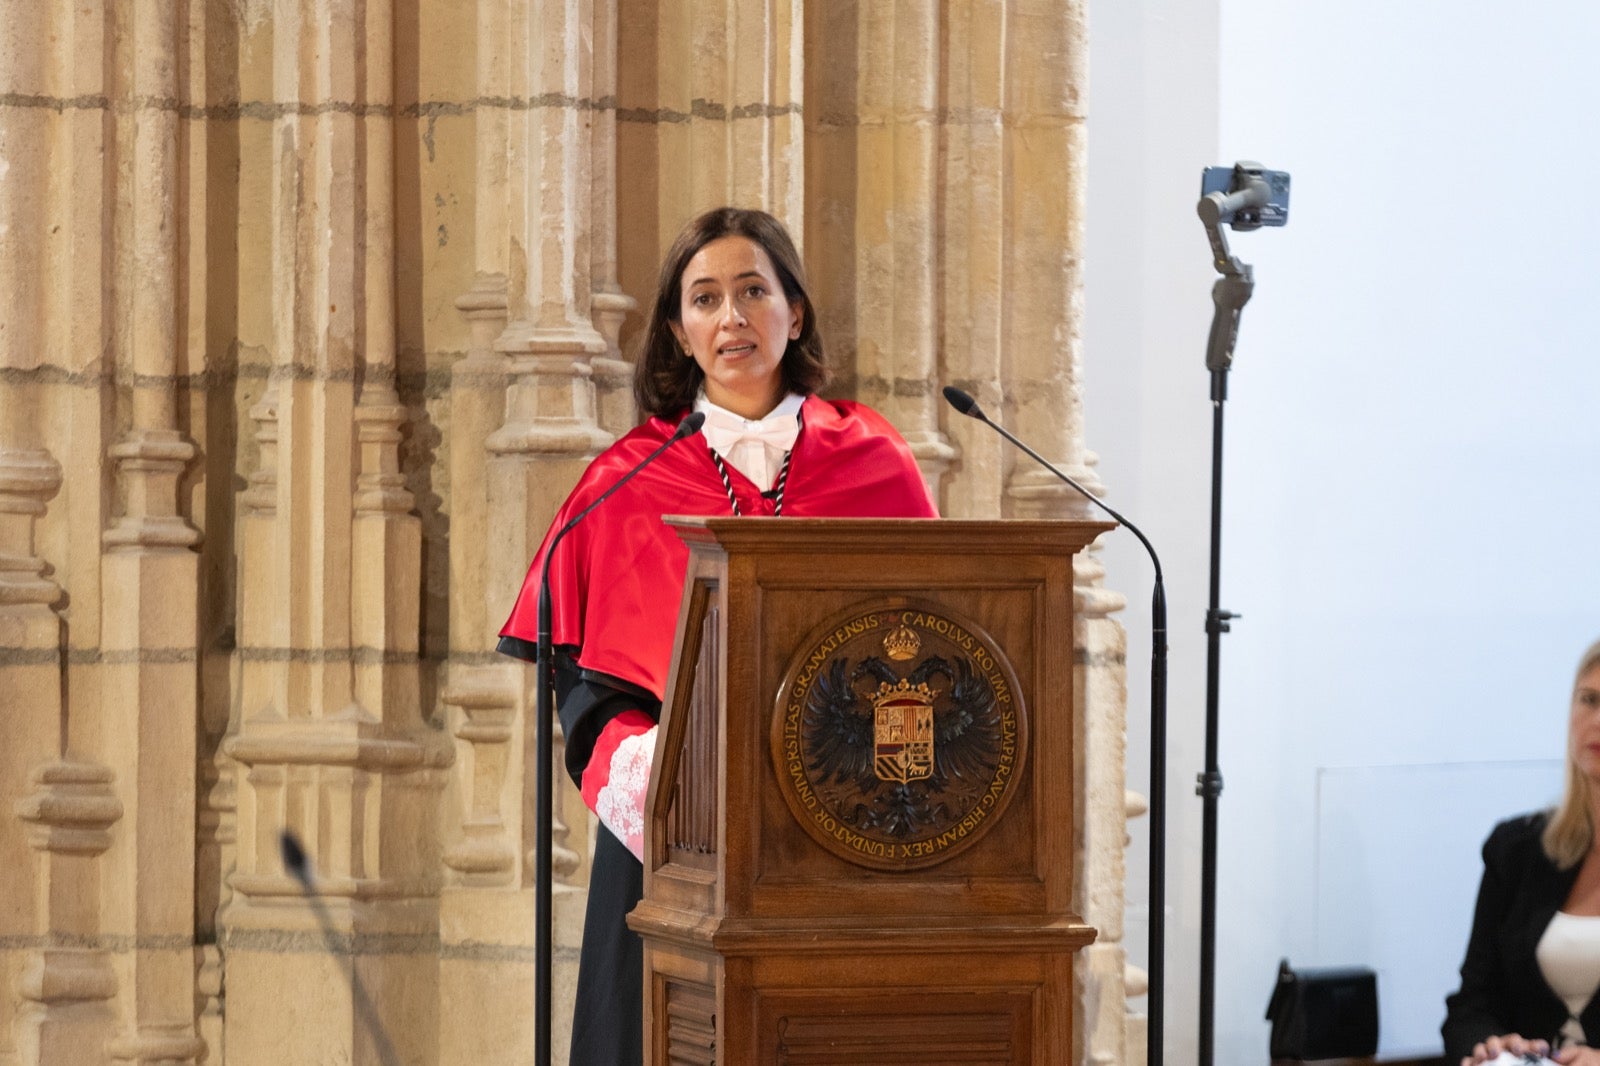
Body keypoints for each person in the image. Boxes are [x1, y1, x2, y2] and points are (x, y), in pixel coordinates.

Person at [497, 206, 939, 1066]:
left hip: (843, 828)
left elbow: (934, 636)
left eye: (752, 292)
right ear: (678, 330)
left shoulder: (874, 459)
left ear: (794, 312)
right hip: (674, 837)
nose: (731, 317)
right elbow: (590, 687)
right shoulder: (622, 480)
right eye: (705, 300)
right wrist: (654, 779)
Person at [1444, 640, 1600, 1065]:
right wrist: (1490, 1045)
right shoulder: (1516, 849)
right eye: (1589, 700)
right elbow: (1471, 1006)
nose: (1598, 721)